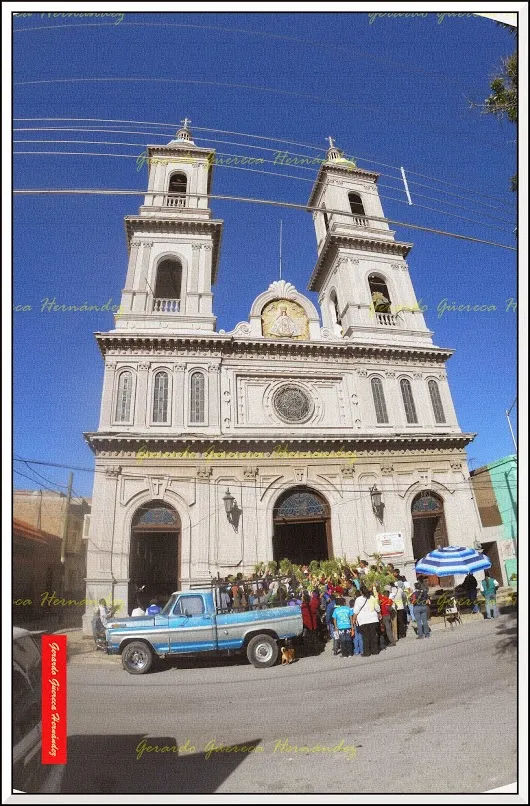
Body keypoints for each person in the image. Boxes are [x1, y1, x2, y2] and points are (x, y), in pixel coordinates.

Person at [352, 585, 381, 657]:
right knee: (373, 635)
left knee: (365, 637)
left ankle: (367, 652)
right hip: (373, 619)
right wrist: (379, 613)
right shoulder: (372, 598)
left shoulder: (358, 599)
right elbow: (377, 607)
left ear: (361, 592)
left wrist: (354, 619)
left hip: (363, 620)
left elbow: (356, 611)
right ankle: (375, 650)